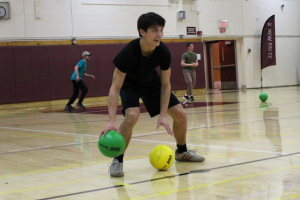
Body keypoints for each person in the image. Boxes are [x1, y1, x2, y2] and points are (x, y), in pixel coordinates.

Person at [101, 12, 205, 177]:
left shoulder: (163, 51)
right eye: (154, 30)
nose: (159, 34)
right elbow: (114, 88)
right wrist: (111, 121)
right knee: (132, 115)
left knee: (181, 115)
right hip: (130, 85)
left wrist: (163, 114)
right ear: (142, 32)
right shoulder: (127, 52)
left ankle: (182, 152)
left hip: (152, 83)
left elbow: (165, 84)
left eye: (161, 30)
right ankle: (117, 160)